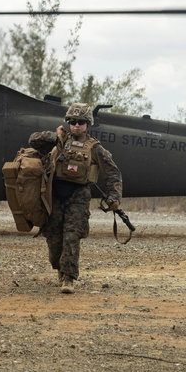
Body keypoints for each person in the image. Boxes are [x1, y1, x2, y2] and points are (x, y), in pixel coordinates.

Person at [29, 102, 122, 294]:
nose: (76, 125)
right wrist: (54, 137)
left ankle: (69, 278)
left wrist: (114, 196)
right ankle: (60, 269)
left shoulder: (94, 148)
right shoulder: (60, 140)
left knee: (72, 236)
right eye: (72, 121)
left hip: (78, 195)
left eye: (80, 122)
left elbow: (113, 172)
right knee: (54, 239)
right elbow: (33, 141)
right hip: (55, 194)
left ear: (88, 124)